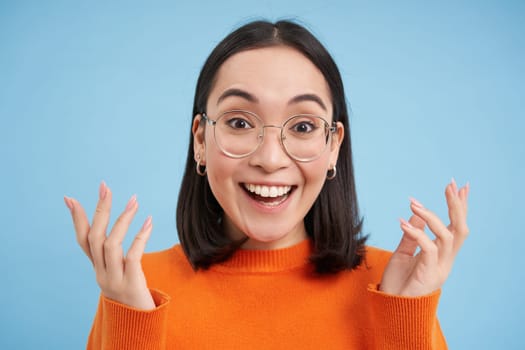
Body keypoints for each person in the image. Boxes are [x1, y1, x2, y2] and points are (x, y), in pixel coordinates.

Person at [64, 20, 470, 349]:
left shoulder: (393, 286)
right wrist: (132, 327)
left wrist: (404, 325)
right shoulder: (137, 290)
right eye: (240, 122)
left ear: (333, 146)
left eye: (304, 126)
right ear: (200, 140)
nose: (271, 159)